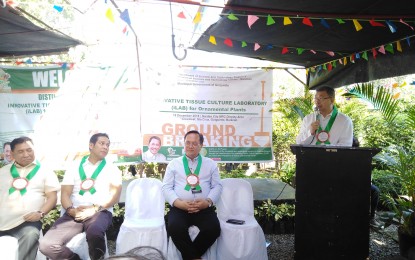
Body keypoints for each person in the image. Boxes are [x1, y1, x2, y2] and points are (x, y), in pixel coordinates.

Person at [39, 133, 122, 260]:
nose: (105, 147)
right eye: (102, 143)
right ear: (91, 145)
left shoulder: (112, 169)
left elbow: (114, 197)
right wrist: (71, 210)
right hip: (75, 213)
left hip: (100, 212)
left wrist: (93, 209)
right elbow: (65, 194)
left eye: (107, 145)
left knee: (95, 233)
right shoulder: (73, 166)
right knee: (46, 245)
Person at [162, 130, 222, 260]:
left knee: (214, 228)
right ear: (184, 144)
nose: (190, 146)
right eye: (187, 143)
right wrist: (178, 203)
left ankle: (190, 256)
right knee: (174, 227)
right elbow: (166, 187)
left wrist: (208, 202)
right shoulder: (173, 164)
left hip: (203, 208)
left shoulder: (210, 164)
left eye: (194, 143)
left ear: (201, 145)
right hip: (180, 208)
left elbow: (217, 186)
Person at [0, 136, 60, 260]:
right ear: (12, 153)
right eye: (20, 151)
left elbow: (52, 198)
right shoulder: (3, 172)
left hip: (26, 223)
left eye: (29, 150)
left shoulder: (45, 171)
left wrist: (40, 213)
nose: (26, 154)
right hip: (2, 221)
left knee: (31, 234)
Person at [352, 137, 381, 226]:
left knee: (375, 190)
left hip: (360, 182)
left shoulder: (362, 155)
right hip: (346, 182)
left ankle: (372, 217)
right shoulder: (342, 152)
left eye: (356, 146)